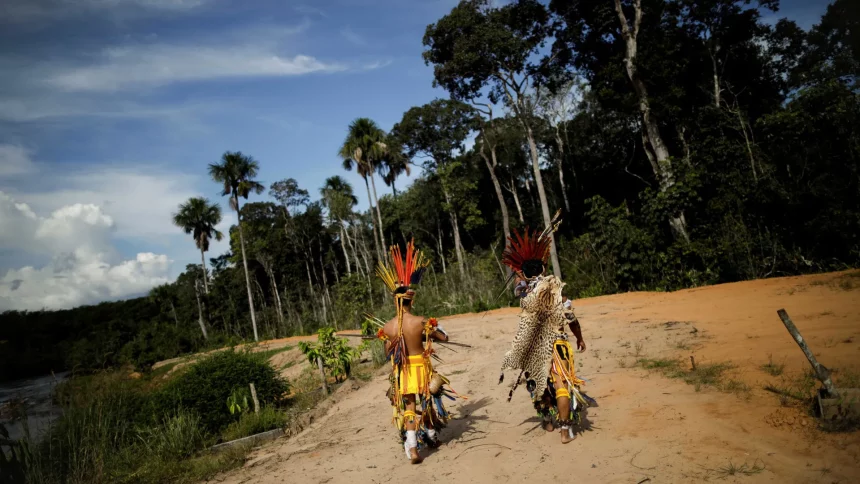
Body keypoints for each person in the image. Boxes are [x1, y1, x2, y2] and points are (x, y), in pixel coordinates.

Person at [499, 220, 594, 445]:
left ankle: (549, 421)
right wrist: (579, 336)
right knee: (561, 386)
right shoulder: (557, 294)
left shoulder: (525, 296)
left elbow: (521, 288)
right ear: (543, 269)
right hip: (557, 345)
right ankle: (564, 431)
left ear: (525, 274)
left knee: (539, 385)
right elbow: (571, 319)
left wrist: (523, 273)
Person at [375, 239, 460, 464]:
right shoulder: (420, 321)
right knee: (427, 403)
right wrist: (436, 328)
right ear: (410, 301)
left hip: (402, 370)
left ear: (396, 301)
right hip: (420, 368)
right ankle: (431, 437)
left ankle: (413, 448)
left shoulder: (388, 326)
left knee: (410, 407)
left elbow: (387, 353)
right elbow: (443, 337)